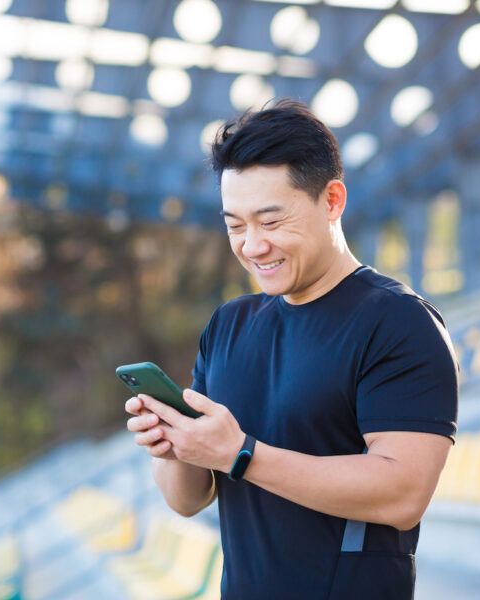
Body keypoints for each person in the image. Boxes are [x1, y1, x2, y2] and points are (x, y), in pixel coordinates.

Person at [125, 99, 458, 599]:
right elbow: (188, 499)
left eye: (271, 221)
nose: (252, 245)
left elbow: (403, 493)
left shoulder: (399, 322)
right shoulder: (229, 325)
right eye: (235, 225)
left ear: (332, 201)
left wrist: (241, 455)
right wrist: (175, 447)